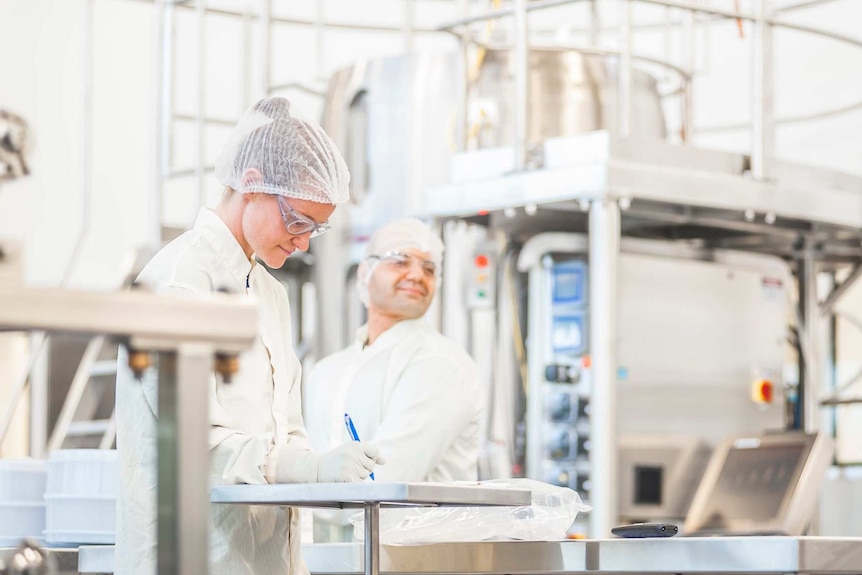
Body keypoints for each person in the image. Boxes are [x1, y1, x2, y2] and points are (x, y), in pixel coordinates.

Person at [115, 96, 383, 575]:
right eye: (297, 220)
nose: (302, 242)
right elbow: (198, 446)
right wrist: (308, 469)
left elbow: (286, 429)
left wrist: (316, 464)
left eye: (315, 230)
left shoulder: (269, 295)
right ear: (253, 184)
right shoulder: (177, 283)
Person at [304, 218, 483, 486]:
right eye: (400, 261)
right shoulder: (326, 371)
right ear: (365, 272)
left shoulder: (439, 365)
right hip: (332, 527)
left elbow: (385, 478)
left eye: (429, 268)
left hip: (412, 529)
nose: (416, 275)